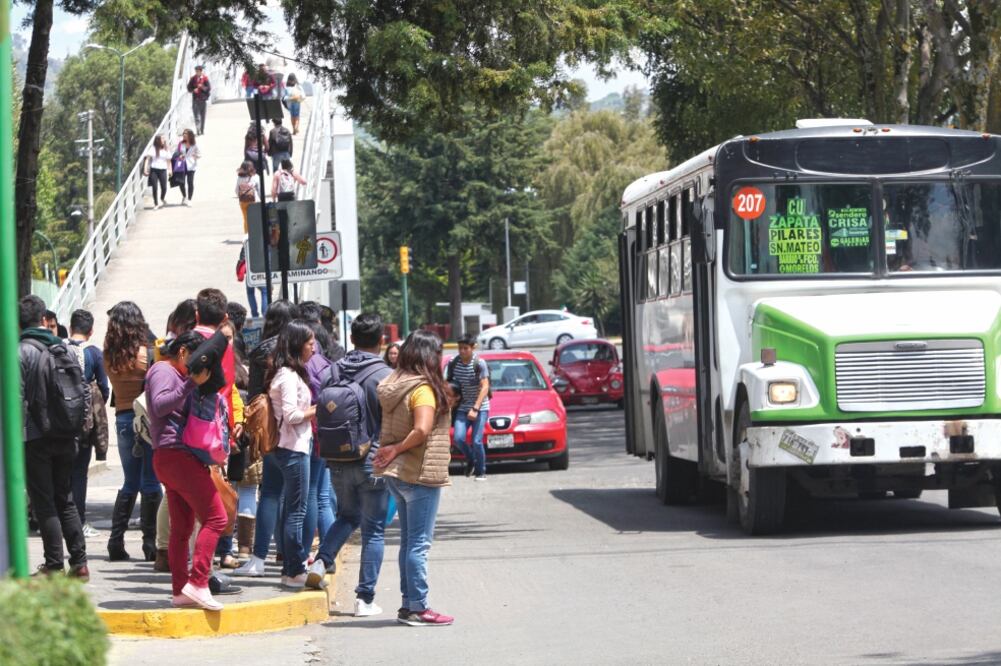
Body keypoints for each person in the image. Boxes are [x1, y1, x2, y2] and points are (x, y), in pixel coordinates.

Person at [307, 314, 393, 618]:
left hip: (337, 458)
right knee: (374, 531)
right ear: (381, 340)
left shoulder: (332, 371)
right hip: (374, 459)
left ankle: (320, 561)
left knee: (347, 515)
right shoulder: (384, 374)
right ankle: (364, 599)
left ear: (352, 339)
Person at [373, 330, 454, 626]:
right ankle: (418, 607)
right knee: (419, 544)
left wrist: (393, 452)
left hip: (398, 473)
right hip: (419, 473)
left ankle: (409, 606)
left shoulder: (395, 383)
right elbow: (421, 429)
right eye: (438, 352)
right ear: (428, 356)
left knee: (409, 542)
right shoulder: (422, 389)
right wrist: (396, 448)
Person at [147, 331, 226, 610]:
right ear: (182, 353)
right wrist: (190, 383)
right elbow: (158, 405)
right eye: (193, 360)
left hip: (173, 458)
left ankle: (181, 591)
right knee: (217, 518)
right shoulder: (162, 371)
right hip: (175, 456)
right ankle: (198, 582)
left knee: (181, 528)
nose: (195, 368)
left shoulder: (176, 375)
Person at [19, 295, 90, 580]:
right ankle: (81, 563)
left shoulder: (21, 351)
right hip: (67, 434)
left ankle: (53, 564)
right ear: (42, 319)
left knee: (44, 500)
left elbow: (16, 398)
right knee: (66, 498)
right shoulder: (64, 348)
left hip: (37, 436)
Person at [233, 300, 299, 577]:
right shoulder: (297, 348)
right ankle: (289, 553)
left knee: (270, 492)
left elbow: (256, 392)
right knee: (295, 495)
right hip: (297, 427)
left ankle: (259, 555)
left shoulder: (261, 350)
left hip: (269, 428)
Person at [104, 301, 160, 562]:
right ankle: (151, 543)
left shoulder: (110, 355)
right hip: (147, 420)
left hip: (123, 419)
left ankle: (116, 542)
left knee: (130, 481)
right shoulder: (147, 353)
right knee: (151, 481)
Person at [268, 320, 317, 588]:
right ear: (298, 344)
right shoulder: (287, 376)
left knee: (291, 510)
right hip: (292, 448)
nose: (313, 347)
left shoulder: (289, 373)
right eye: (310, 343)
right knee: (296, 512)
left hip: (292, 447)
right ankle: (295, 568)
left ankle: (291, 568)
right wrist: (317, 410)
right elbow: (291, 415)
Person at [68, 309, 110, 539]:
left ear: (70, 325)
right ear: (91, 330)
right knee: (79, 474)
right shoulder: (93, 353)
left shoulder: (58, 348)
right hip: (83, 424)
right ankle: (80, 521)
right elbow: (104, 389)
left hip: (57, 423)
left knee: (61, 473)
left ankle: (61, 520)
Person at [448, 333, 491, 480]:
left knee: (476, 440)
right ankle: (471, 459)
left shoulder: (479, 363)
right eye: (460, 348)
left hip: (480, 407)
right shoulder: (453, 362)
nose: (462, 351)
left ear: (473, 348)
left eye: (465, 348)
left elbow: (485, 387)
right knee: (458, 438)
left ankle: (481, 471)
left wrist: (475, 408)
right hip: (462, 407)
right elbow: (449, 385)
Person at [144, 135, 171, 209]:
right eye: (162, 138)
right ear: (158, 140)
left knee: (164, 187)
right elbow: (147, 159)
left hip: (163, 170)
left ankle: (162, 198)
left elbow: (168, 160)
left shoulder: (166, 149)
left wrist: (170, 170)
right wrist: (145, 169)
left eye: (164, 138)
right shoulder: (153, 148)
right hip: (154, 170)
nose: (164, 140)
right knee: (155, 187)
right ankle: (156, 204)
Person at [235, 160, 260, 234]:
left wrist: (242, 196)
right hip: (254, 201)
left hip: (243, 202)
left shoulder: (240, 178)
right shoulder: (256, 177)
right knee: (256, 219)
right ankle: (256, 234)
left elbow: (236, 190)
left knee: (246, 219)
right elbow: (259, 190)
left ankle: (247, 235)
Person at [176, 129, 200, 206]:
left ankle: (189, 199)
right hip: (182, 165)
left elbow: (199, 154)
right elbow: (177, 153)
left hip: (191, 165)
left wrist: (195, 156)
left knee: (190, 182)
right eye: (183, 134)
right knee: (181, 182)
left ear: (190, 135)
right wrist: (180, 156)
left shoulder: (194, 145)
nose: (184, 135)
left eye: (186, 134)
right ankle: (184, 196)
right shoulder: (180, 144)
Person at [187, 65, 211, 135]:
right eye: (196, 71)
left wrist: (202, 87)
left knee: (202, 116)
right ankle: (198, 129)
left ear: (201, 71)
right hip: (195, 100)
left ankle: (202, 129)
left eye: (198, 71)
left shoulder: (205, 78)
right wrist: (193, 90)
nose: (197, 72)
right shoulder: (193, 79)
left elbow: (208, 88)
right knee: (196, 116)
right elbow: (188, 88)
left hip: (203, 100)